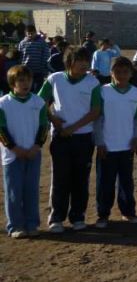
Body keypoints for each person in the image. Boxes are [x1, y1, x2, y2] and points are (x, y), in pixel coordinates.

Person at [39, 47, 102, 233]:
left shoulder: (93, 82)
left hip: (83, 138)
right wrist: (54, 121)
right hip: (60, 138)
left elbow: (95, 111)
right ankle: (56, 218)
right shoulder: (55, 79)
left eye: (86, 60)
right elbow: (40, 102)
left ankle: (78, 217)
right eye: (80, 60)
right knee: (60, 178)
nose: (85, 64)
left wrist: (73, 128)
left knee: (81, 179)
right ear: (69, 62)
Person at [93, 56, 137, 228]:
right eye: (117, 72)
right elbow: (98, 120)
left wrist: (136, 138)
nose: (121, 75)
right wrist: (99, 142)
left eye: (125, 72)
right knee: (105, 183)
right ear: (111, 73)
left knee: (126, 182)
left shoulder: (136, 93)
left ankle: (128, 212)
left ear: (130, 74)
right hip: (107, 147)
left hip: (127, 146)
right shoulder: (103, 91)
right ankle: (103, 215)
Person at [0, 65, 48, 238]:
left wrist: (36, 147)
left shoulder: (38, 102)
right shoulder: (3, 103)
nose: (25, 83)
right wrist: (15, 149)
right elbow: (1, 130)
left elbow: (44, 126)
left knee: (31, 190)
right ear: (13, 83)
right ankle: (16, 226)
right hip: (12, 156)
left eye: (28, 80)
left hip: (33, 154)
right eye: (21, 80)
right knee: (14, 191)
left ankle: (31, 223)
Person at [17, 25, 49, 92]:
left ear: (35, 32)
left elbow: (46, 55)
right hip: (26, 70)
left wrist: (44, 68)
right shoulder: (22, 43)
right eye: (29, 33)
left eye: (32, 33)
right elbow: (20, 56)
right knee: (28, 89)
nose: (30, 35)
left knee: (39, 89)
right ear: (26, 33)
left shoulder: (42, 42)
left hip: (39, 70)